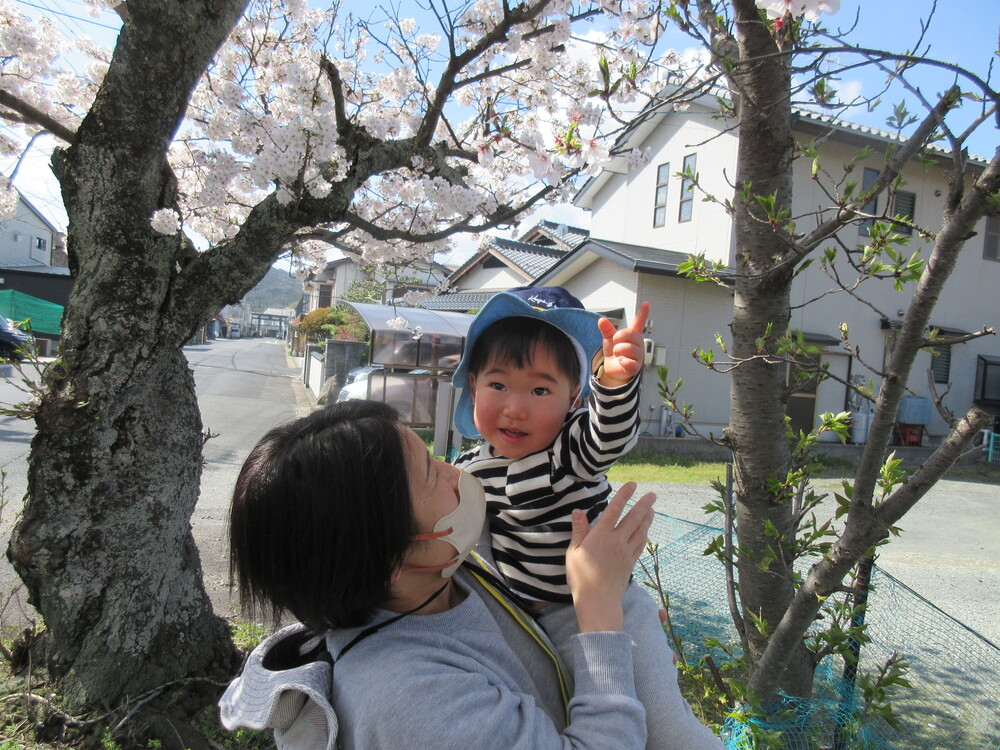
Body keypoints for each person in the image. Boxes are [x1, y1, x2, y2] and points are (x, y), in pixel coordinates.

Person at [220, 400, 658, 749]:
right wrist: (599, 613)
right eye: (432, 473)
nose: (458, 473)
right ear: (390, 555)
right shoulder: (412, 702)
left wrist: (620, 646)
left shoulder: (445, 573)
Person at [451, 286, 723, 749]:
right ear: (472, 385)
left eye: (540, 389)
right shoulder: (471, 469)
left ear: (573, 398)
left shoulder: (570, 451)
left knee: (669, 732)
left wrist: (615, 384)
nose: (515, 407)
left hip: (608, 610)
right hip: (528, 624)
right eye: (498, 385)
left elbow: (607, 435)